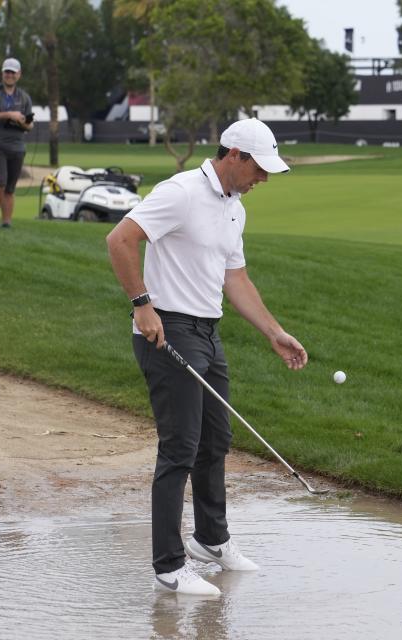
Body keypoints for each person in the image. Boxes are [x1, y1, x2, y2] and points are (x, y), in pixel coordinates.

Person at [106, 118, 308, 596]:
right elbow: (120, 239)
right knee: (179, 447)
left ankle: (211, 540)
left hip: (207, 331)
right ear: (234, 155)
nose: (262, 179)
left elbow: (234, 278)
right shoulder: (180, 192)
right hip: (167, 328)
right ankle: (168, 565)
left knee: (215, 439)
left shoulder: (235, 207)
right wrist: (142, 305)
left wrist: (274, 331)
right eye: (259, 169)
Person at [0, 57, 34, 230]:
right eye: (7, 72)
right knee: (0, 182)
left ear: (19, 75)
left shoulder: (24, 97)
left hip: (17, 146)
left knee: (10, 187)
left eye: (13, 72)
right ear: (2, 73)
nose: (9, 75)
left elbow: (30, 125)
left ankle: (6, 223)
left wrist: (21, 121)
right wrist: (9, 114)